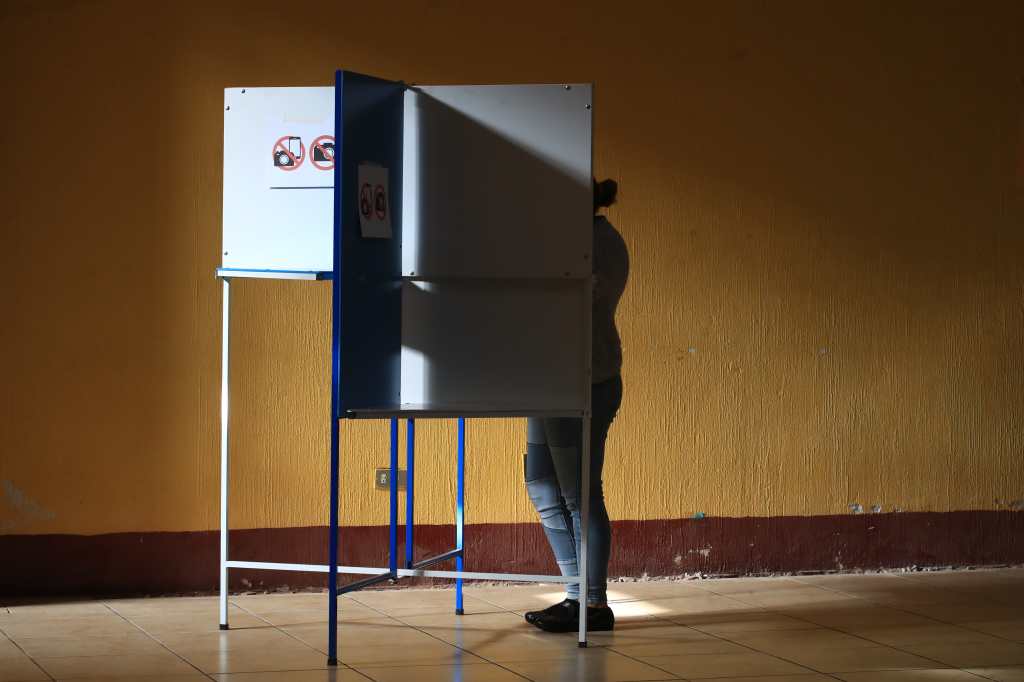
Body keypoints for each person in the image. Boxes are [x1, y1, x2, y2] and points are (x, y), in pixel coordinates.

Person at [523, 178, 629, 632]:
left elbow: (564, 306)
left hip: (581, 380)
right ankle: (575, 596)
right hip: (550, 379)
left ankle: (593, 604)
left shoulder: (594, 243)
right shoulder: (581, 238)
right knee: (541, 484)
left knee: (579, 495)